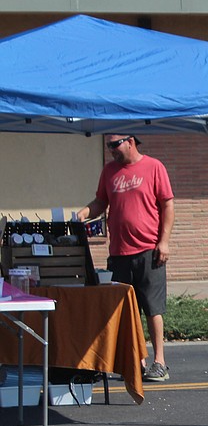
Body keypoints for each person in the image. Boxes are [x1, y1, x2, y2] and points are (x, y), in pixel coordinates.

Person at [77, 134, 175, 381]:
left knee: (153, 308)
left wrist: (163, 242)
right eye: (109, 146)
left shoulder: (153, 167)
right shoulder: (109, 171)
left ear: (131, 142)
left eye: (115, 145)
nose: (111, 150)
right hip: (119, 252)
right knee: (127, 312)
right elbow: (101, 201)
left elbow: (167, 205)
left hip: (148, 251)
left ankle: (159, 362)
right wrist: (83, 213)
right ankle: (136, 362)